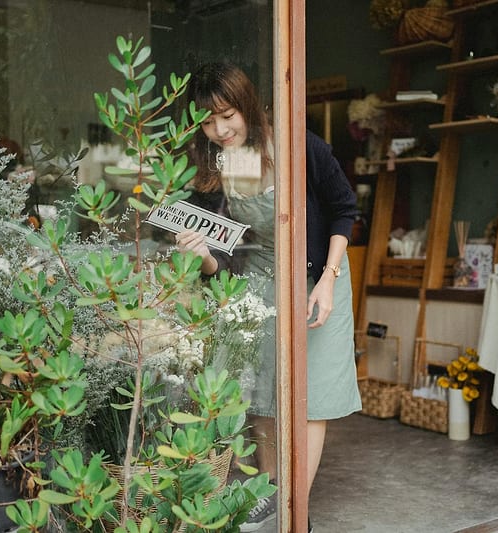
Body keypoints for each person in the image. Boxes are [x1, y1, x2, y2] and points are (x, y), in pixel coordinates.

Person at [175, 62, 362, 533]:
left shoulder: (299, 147)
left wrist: (327, 282)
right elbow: (225, 257)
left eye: (228, 116)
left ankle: (297, 508)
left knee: (311, 396)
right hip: (258, 281)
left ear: (248, 107)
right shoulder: (219, 163)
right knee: (261, 392)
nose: (219, 130)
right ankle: (270, 489)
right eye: (207, 120)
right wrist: (200, 254)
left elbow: (345, 210)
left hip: (319, 277)